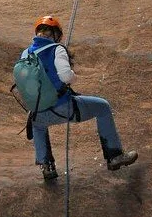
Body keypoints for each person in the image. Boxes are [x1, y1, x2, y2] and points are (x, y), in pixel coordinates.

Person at [22, 15, 138, 181]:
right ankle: (114, 157)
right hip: (64, 107)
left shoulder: (26, 53)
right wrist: (73, 76)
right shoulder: (57, 49)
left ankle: (46, 166)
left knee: (38, 126)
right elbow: (65, 77)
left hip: (39, 113)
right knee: (103, 107)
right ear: (55, 34)